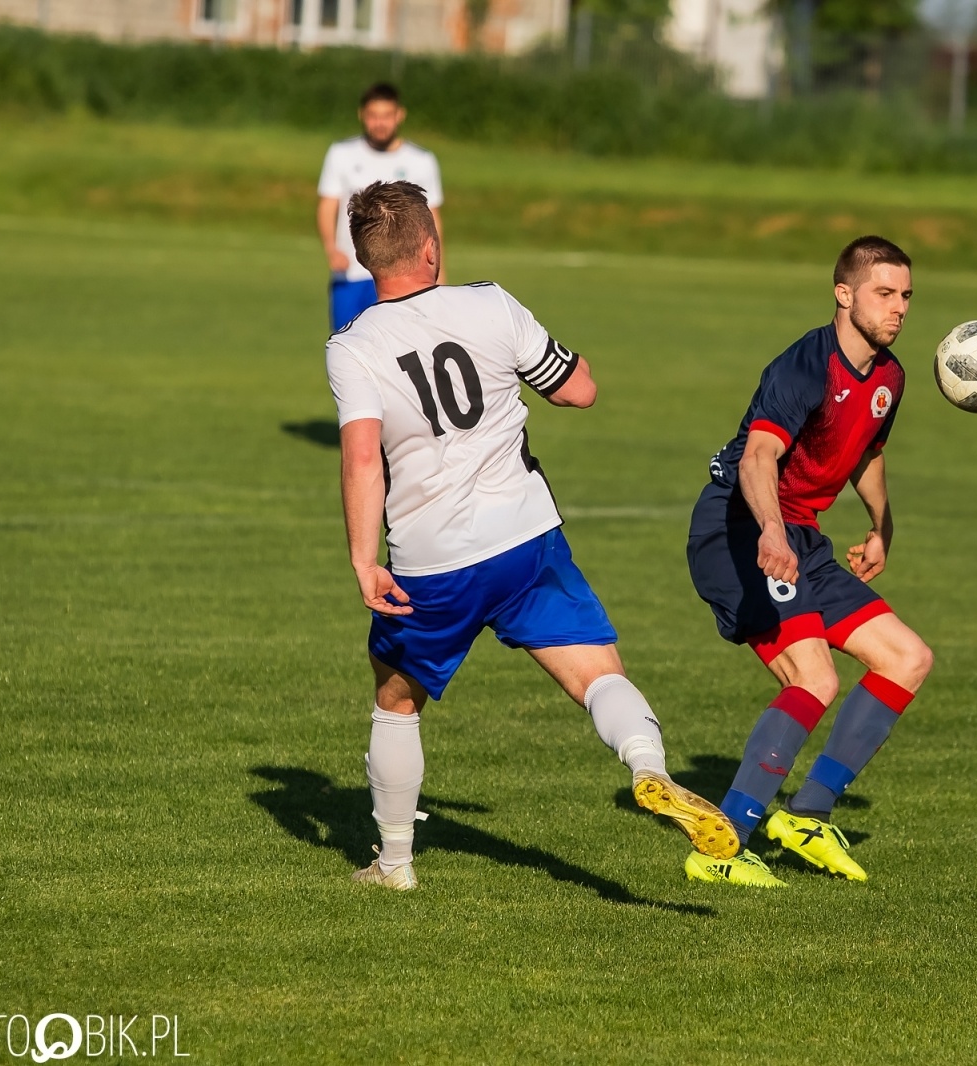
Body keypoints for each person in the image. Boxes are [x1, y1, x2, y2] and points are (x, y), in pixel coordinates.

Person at [325, 180, 737, 892]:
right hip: (526, 540)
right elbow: (579, 389)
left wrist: (364, 559)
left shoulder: (353, 347)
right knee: (599, 674)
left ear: (366, 263)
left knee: (396, 700)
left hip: (432, 562)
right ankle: (648, 767)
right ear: (432, 246)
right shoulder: (491, 303)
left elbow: (363, 458)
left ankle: (394, 865)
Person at [683, 236, 935, 888]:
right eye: (885, 293)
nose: (899, 307)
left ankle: (807, 815)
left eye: (906, 295)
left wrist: (882, 528)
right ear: (844, 294)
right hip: (740, 527)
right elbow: (757, 458)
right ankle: (722, 844)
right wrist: (771, 531)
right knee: (815, 679)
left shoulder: (889, 377)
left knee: (907, 658)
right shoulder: (804, 367)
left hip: (801, 537)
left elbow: (866, 454)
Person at [317, 83, 444, 333]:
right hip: (351, 273)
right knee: (349, 348)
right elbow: (327, 206)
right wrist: (331, 249)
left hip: (405, 276)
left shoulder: (421, 161)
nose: (380, 123)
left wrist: (439, 273)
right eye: (373, 116)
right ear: (362, 115)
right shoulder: (341, 154)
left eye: (386, 116)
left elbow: (433, 222)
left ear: (399, 115)